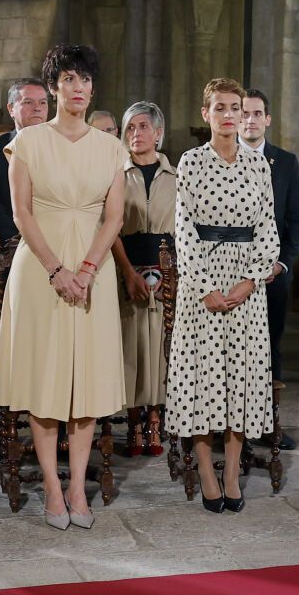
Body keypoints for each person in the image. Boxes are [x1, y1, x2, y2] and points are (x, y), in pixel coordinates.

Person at [0, 46, 128, 530]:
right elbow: (21, 211)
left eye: (85, 80)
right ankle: (52, 488)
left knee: (86, 382)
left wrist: (89, 268)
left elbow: (115, 215)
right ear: (54, 87)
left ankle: (78, 489)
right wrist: (56, 269)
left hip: (94, 269)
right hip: (40, 270)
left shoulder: (112, 147)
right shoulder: (28, 141)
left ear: (93, 88)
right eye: (69, 79)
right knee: (46, 380)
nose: (78, 88)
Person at [166, 80, 280, 512]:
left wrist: (251, 280)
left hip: (247, 286)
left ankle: (232, 473)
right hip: (203, 285)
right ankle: (206, 471)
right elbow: (184, 230)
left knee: (241, 380)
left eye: (235, 107)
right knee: (203, 377)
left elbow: (269, 228)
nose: (230, 115)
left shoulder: (259, 165)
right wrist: (206, 288)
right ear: (206, 114)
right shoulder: (192, 162)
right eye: (220, 108)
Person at [0, 77, 50, 464]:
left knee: (51, 351)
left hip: (53, 262)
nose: (37, 109)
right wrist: (27, 243)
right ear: (11, 109)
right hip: (4, 261)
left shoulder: (59, 148)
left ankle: (51, 436)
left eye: (42, 103)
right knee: (0, 351)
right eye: (28, 103)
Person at [240, 89, 299, 447]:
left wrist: (282, 264)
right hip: (231, 274)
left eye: (257, 114)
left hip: (272, 276)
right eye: (245, 113)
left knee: (269, 346)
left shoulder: (285, 162)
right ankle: (229, 423)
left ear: (267, 119)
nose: (250, 120)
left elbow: (298, 219)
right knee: (232, 348)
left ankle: (268, 424)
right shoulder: (222, 158)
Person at [113, 102, 177, 457]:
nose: (136, 134)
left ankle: (156, 419)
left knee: (160, 350)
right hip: (128, 271)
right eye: (130, 128)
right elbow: (110, 229)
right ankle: (133, 420)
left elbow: (184, 230)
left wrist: (173, 275)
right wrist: (127, 273)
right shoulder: (116, 175)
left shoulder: (177, 177)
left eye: (142, 127)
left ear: (158, 133)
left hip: (167, 275)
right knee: (131, 347)